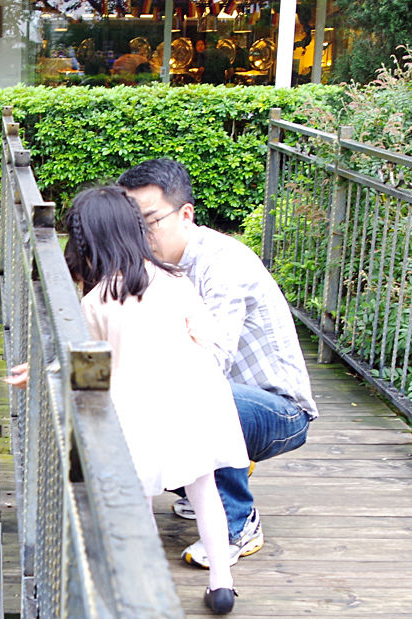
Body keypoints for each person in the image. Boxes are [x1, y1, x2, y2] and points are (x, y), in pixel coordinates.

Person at [116, 158, 317, 569]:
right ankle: (197, 490)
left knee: (181, 397)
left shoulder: (222, 264)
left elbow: (211, 362)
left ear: (185, 214)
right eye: (132, 224)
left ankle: (238, 523)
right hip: (232, 395)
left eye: (150, 221)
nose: (142, 235)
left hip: (278, 409)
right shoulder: (159, 267)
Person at [63, 184, 250, 614]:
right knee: (204, 489)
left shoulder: (96, 301)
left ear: (89, 240)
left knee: (140, 496)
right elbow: (206, 334)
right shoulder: (173, 279)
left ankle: (149, 586)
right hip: (194, 397)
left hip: (136, 406)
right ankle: (222, 583)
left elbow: (90, 366)